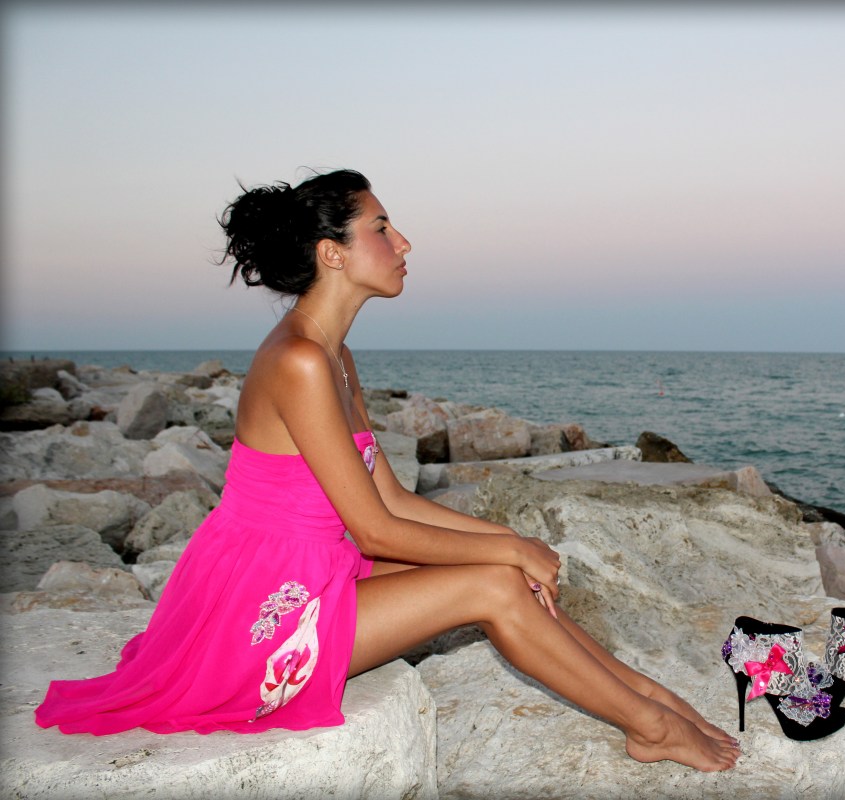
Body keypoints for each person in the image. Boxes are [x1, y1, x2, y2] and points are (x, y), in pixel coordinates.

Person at [35, 168, 739, 773]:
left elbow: (393, 497)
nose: (403, 243)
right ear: (331, 253)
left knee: (508, 570)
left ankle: (651, 699)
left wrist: (507, 541)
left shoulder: (335, 356)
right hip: (268, 610)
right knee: (496, 583)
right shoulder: (299, 361)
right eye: (381, 228)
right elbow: (374, 530)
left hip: (316, 572)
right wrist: (508, 552)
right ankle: (650, 728)